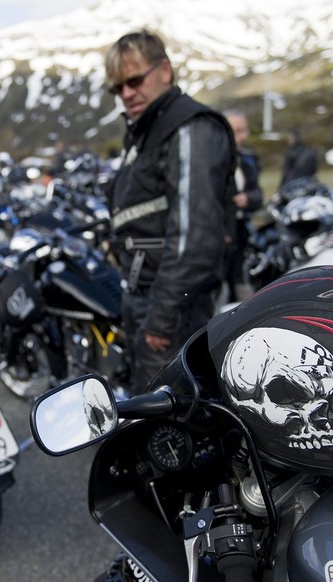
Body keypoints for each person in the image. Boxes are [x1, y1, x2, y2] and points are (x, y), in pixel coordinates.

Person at [104, 29, 236, 395]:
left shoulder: (189, 127)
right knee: (149, 404)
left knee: (171, 419)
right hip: (144, 295)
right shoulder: (147, 131)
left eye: (134, 80)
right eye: (117, 88)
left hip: (170, 308)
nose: (126, 94)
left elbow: (194, 240)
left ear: (165, 70)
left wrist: (161, 321)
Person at [223, 109, 263, 303]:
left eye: (244, 131)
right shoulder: (209, 163)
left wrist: (249, 199)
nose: (242, 137)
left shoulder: (248, 159)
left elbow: (258, 193)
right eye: (237, 131)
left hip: (241, 236)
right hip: (217, 240)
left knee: (243, 284)